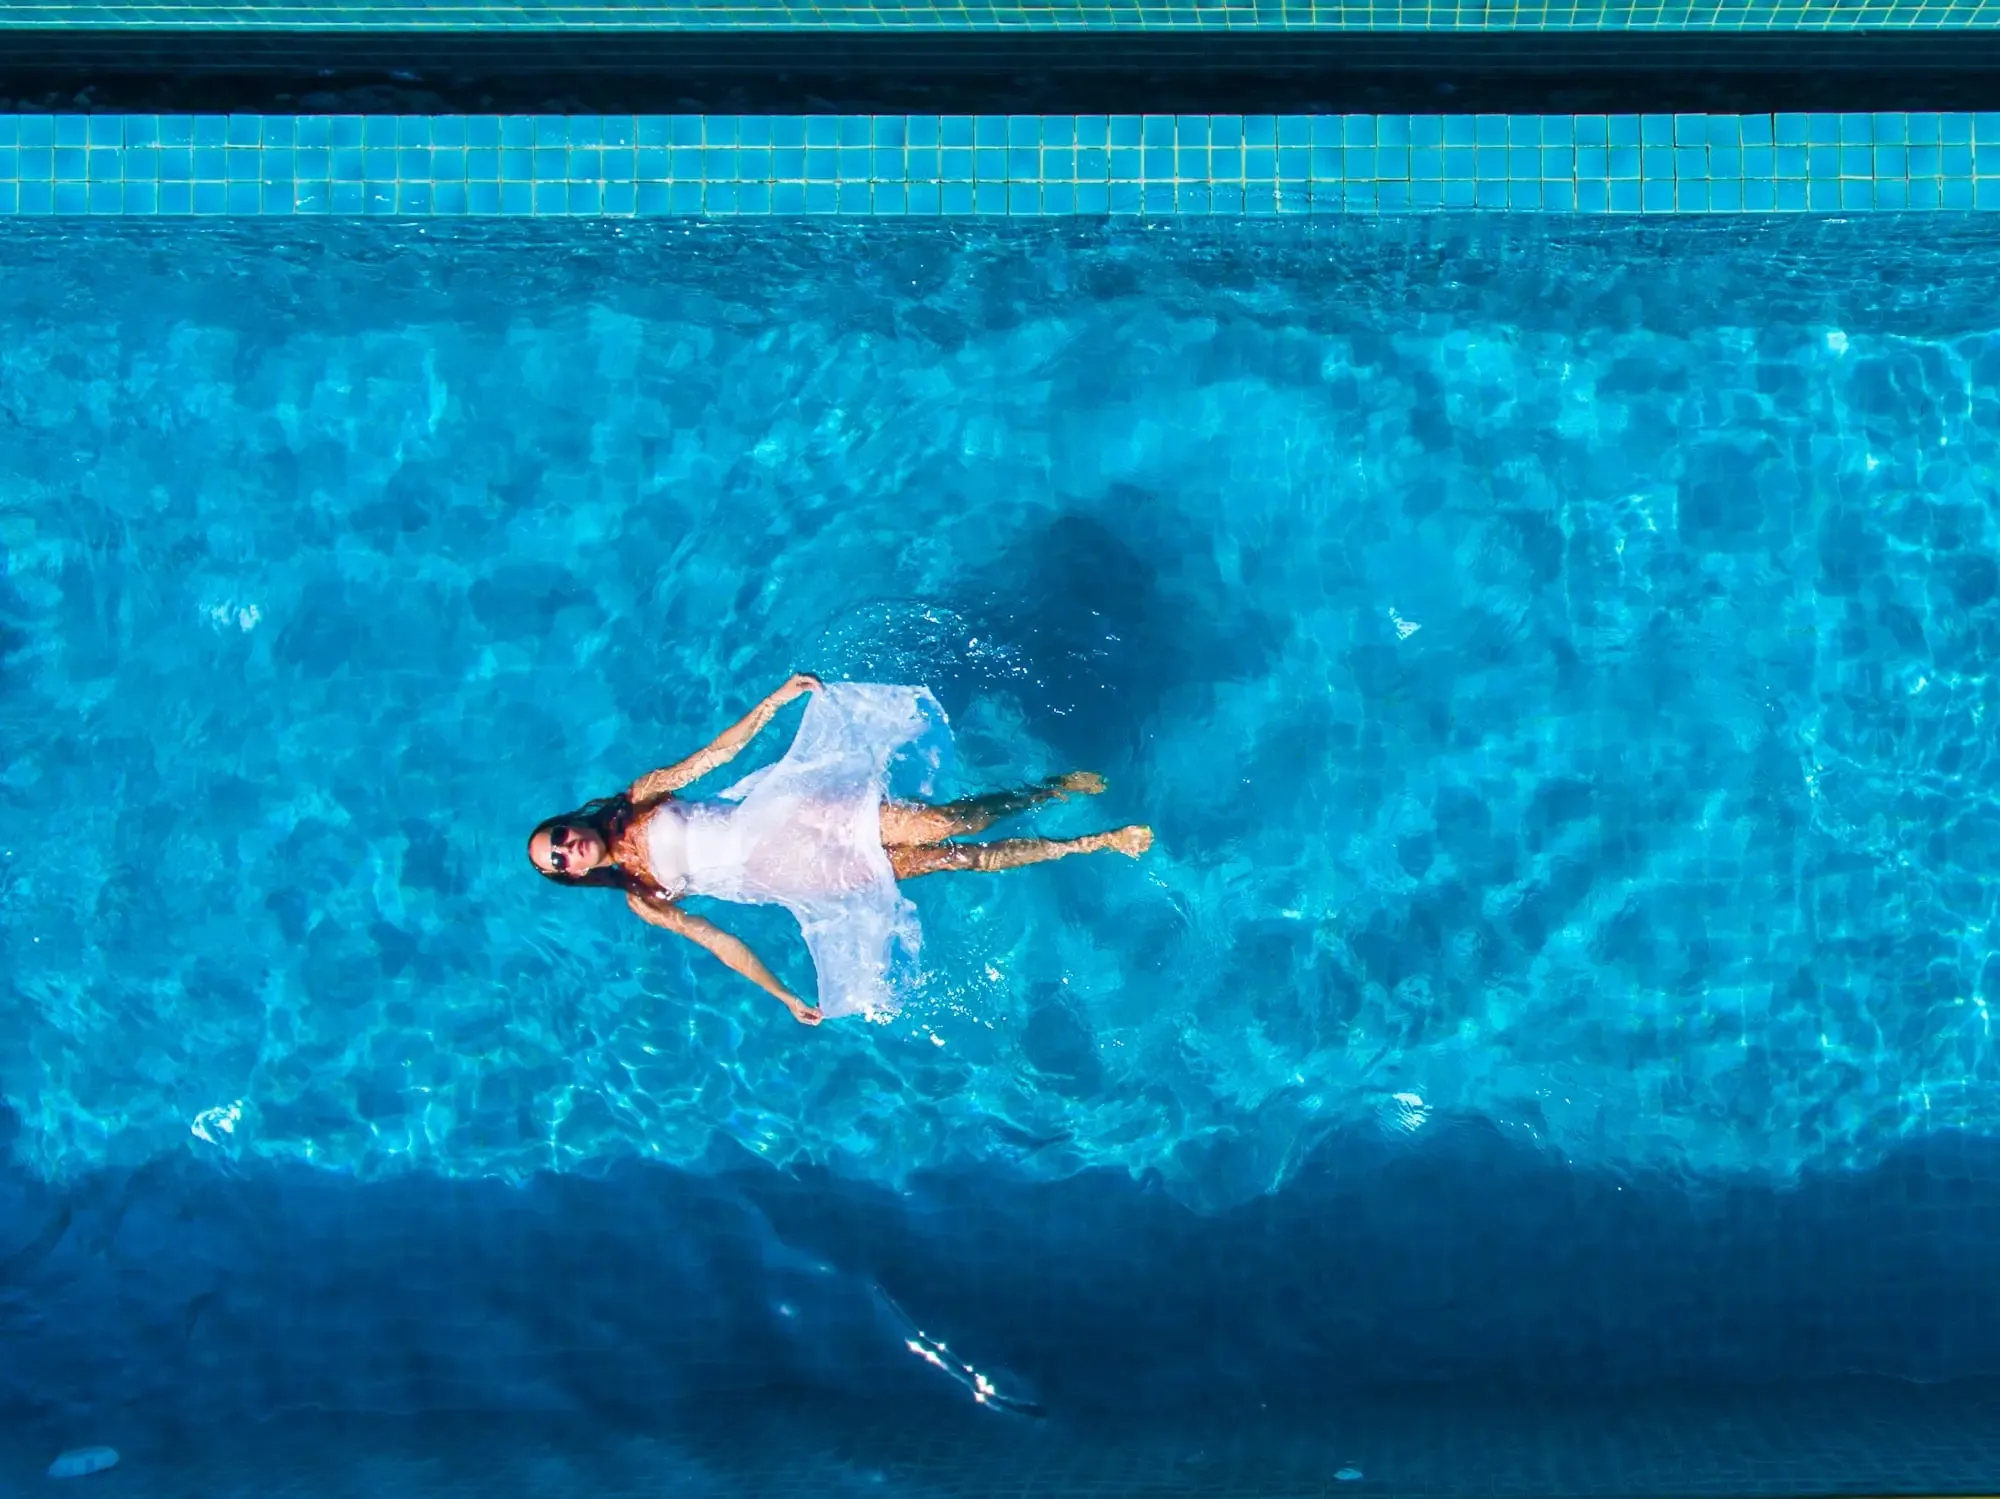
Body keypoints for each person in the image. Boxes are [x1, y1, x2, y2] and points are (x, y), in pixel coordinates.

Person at [527, 675, 1153, 1026]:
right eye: (558, 863)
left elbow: (713, 757)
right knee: (957, 859)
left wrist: (773, 703)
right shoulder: (645, 898)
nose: (566, 851)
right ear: (572, 876)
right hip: (802, 874)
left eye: (556, 839)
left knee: (939, 823)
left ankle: (1047, 790)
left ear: (566, 824)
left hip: (793, 813)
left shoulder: (639, 799)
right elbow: (719, 942)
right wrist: (785, 995)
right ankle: (1093, 843)